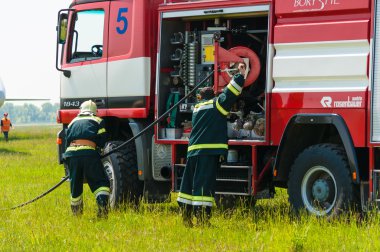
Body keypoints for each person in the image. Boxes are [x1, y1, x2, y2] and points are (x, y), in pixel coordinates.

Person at [177, 63, 246, 227]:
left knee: (188, 184)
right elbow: (231, 92)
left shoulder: (197, 108)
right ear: (213, 95)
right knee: (203, 185)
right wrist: (240, 74)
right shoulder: (216, 104)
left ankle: (186, 217)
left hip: (193, 151)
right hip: (207, 152)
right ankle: (202, 220)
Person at [63, 100, 110, 218]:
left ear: (81, 110)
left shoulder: (72, 122)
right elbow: (102, 140)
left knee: (75, 185)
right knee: (100, 183)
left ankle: (76, 214)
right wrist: (98, 150)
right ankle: (103, 211)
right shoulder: (98, 120)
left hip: (71, 154)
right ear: (95, 111)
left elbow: (66, 141)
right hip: (89, 153)